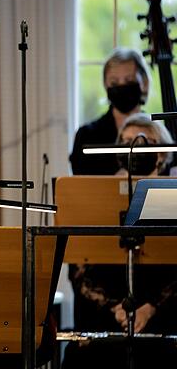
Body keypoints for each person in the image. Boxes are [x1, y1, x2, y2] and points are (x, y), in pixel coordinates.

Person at [63, 114, 177, 369]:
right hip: (108, 316)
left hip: (165, 316)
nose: (131, 148)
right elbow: (80, 265)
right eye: (124, 142)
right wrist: (116, 308)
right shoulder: (96, 196)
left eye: (141, 142)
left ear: (160, 154)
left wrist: (152, 308)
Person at [70, 48, 151, 175]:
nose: (122, 86)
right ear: (105, 86)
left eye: (129, 81)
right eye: (114, 83)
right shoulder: (86, 136)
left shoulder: (157, 134)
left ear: (144, 83)